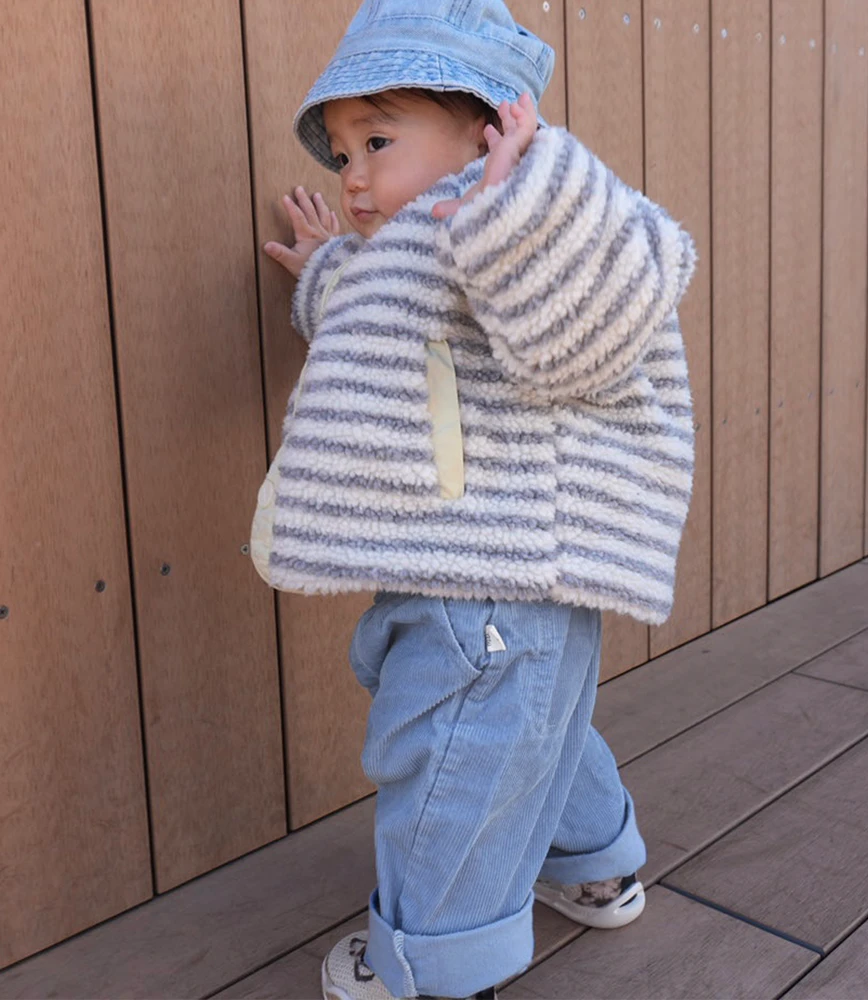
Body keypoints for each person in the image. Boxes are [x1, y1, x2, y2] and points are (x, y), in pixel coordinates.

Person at [260, 2, 696, 998]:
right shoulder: (437, 230)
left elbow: (587, 318)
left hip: (493, 574)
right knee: (528, 725)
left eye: (378, 139)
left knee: (450, 754)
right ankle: (594, 868)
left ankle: (429, 962)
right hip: (489, 572)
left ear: (491, 127)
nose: (356, 174)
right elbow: (412, 322)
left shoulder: (543, 215)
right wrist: (330, 271)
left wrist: (528, 202)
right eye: (341, 153)